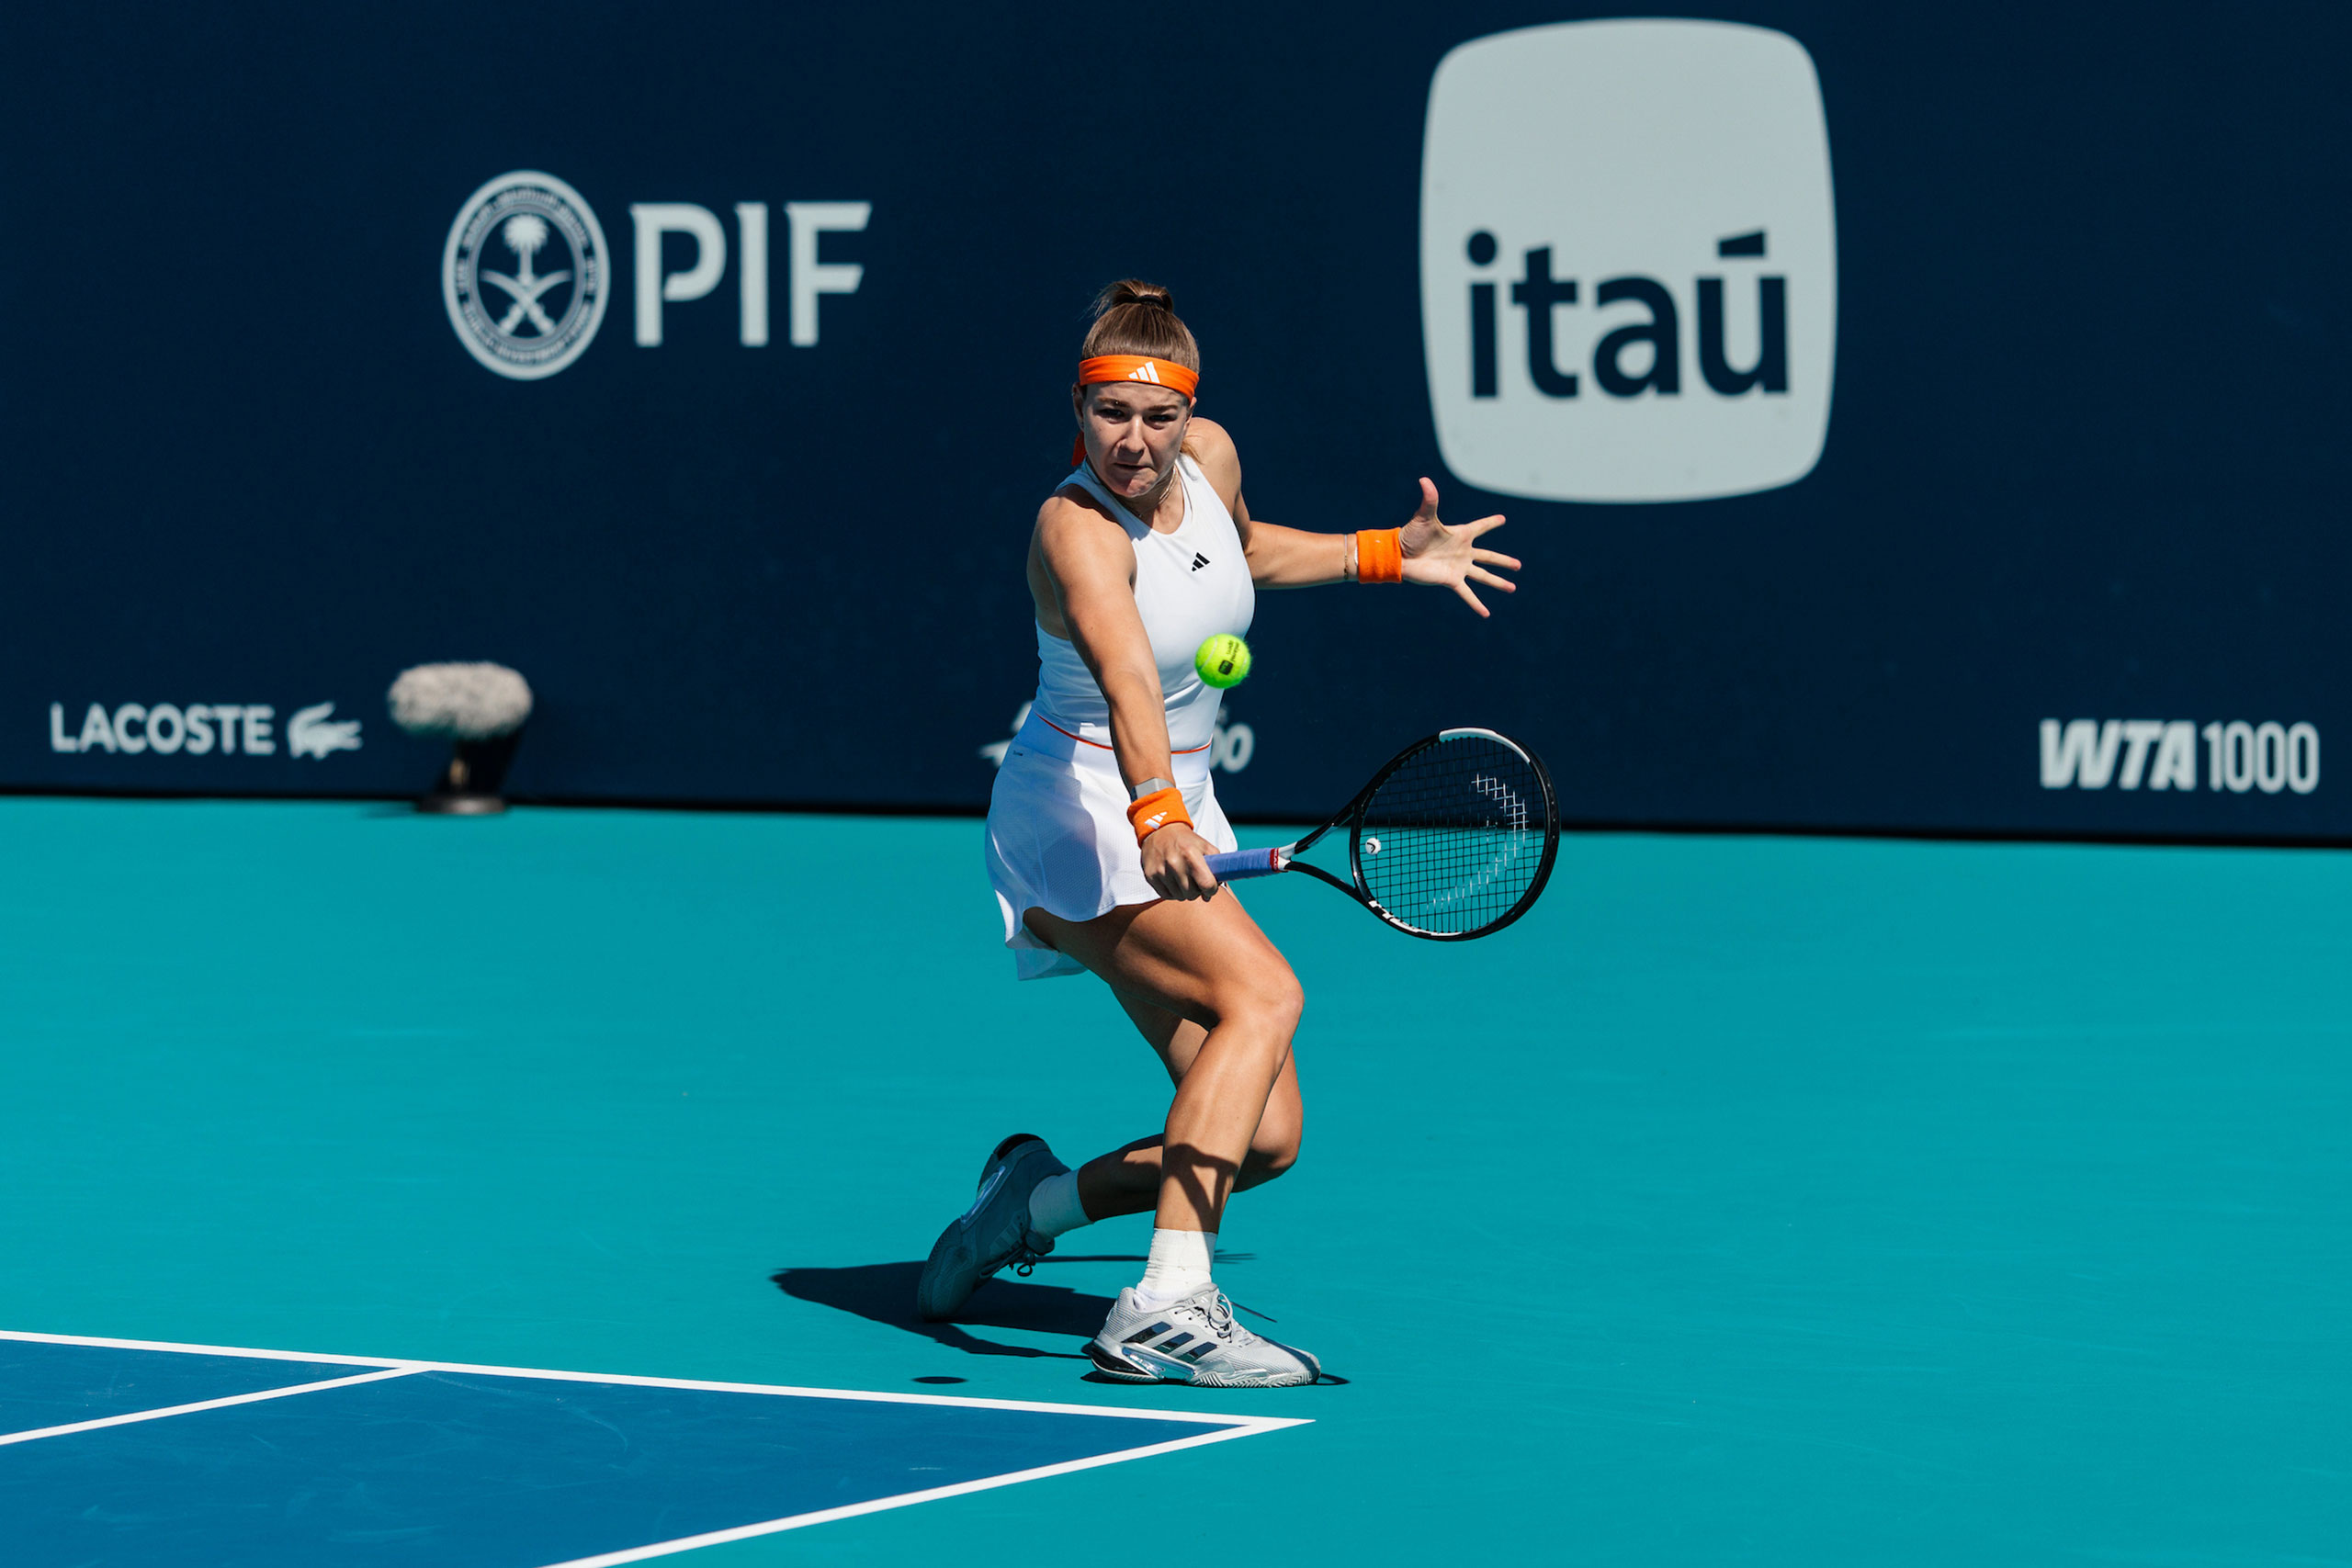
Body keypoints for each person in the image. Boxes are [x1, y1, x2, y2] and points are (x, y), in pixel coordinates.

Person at [917, 279, 1519, 1386]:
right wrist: (1155, 814)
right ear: (1078, 407)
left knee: (1265, 1139)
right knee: (1268, 995)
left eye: (1159, 418)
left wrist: (1390, 551)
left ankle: (1027, 1203)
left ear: (1190, 415)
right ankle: (1163, 1303)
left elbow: (1245, 553)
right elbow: (1128, 676)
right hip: (1080, 815)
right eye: (1111, 416)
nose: (1135, 444)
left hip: (1174, 804)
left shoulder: (1213, 464)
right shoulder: (1074, 528)